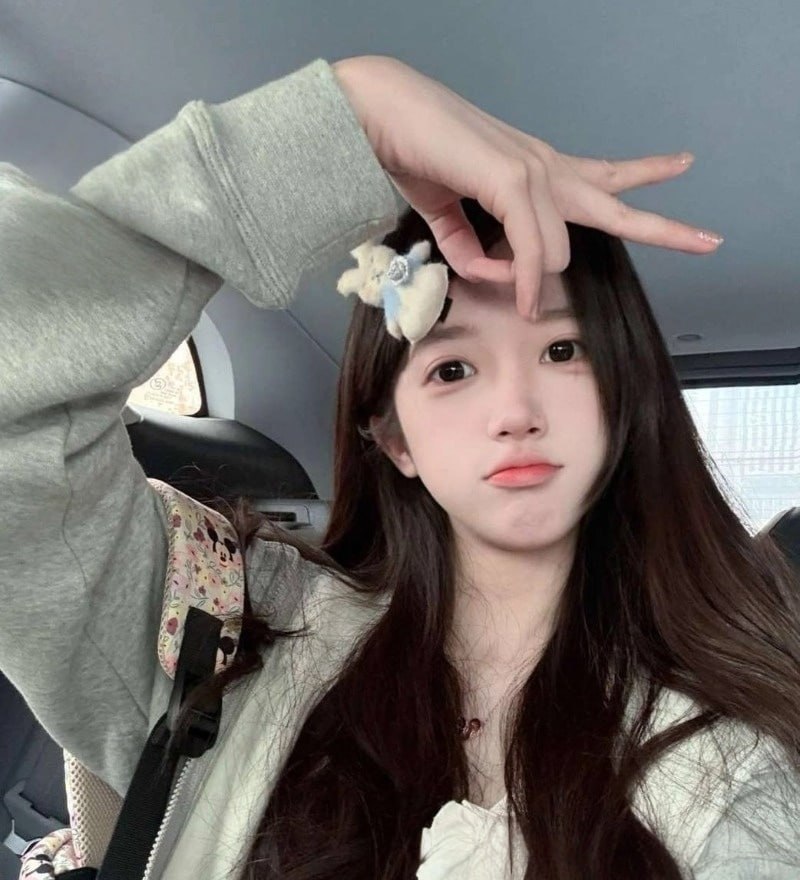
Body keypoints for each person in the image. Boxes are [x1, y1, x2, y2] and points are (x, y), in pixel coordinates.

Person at [0, 52, 797, 880]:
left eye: (563, 351)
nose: (515, 410)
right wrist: (350, 112)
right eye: (452, 368)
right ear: (394, 439)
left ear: (622, 398)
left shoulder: (732, 763)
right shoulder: (234, 630)